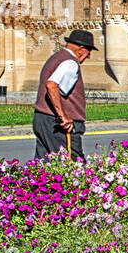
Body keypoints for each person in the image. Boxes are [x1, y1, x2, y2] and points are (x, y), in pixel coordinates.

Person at [32, 29, 97, 162]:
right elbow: (51, 85)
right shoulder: (70, 62)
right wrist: (63, 116)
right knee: (72, 166)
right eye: (88, 52)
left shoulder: (56, 57)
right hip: (58, 123)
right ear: (81, 49)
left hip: (43, 118)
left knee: (44, 166)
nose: (88, 56)